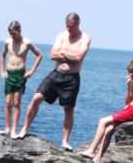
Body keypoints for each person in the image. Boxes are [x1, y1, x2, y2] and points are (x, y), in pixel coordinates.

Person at [19, 12, 92, 149]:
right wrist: (68, 56)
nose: (69, 29)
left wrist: (63, 54)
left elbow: (79, 58)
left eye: (71, 27)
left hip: (72, 78)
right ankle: (24, 129)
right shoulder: (61, 35)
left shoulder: (85, 38)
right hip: (56, 74)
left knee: (68, 109)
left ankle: (65, 141)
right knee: (36, 98)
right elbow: (53, 55)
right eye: (67, 26)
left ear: (77, 24)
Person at [81, 58, 133, 163]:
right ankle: (98, 159)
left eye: (132, 71)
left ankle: (91, 150)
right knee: (109, 129)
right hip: (128, 109)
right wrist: (128, 86)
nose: (130, 74)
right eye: (129, 72)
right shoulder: (132, 82)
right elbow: (128, 101)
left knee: (103, 121)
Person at [0, 21, 43, 138]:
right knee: (8, 103)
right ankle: (7, 128)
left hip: (20, 74)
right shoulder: (7, 42)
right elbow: (3, 55)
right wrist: (2, 70)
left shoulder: (27, 43)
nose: (12, 36)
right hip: (9, 74)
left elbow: (39, 55)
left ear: (19, 31)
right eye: (10, 33)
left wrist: (32, 70)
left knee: (17, 103)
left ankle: (14, 130)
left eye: (13, 33)